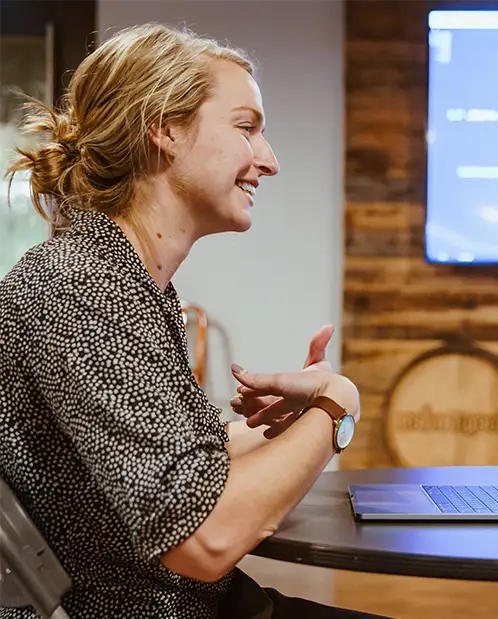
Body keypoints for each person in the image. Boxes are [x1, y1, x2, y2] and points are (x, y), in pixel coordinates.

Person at [0, 23, 391, 619]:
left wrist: (291, 428)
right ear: (164, 129)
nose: (270, 160)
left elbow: (161, 464)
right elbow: (204, 540)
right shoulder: (82, 286)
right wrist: (336, 408)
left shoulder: (125, 281)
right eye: (246, 127)